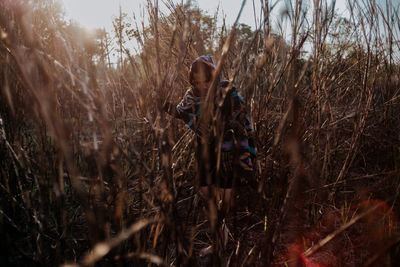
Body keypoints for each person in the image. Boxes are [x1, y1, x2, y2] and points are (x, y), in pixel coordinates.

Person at [164, 55, 256, 251]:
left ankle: (224, 241)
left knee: (226, 199)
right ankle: (220, 239)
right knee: (206, 193)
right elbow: (181, 112)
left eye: (206, 81)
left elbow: (244, 120)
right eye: (197, 82)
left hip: (228, 152)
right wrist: (162, 103)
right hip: (204, 152)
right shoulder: (191, 95)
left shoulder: (227, 92)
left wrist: (243, 145)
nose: (202, 86)